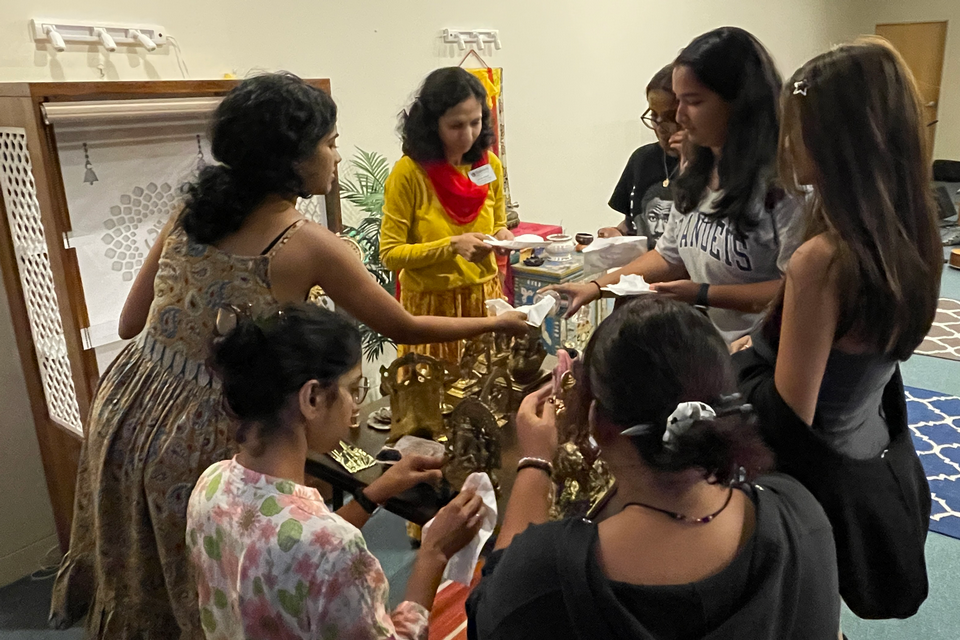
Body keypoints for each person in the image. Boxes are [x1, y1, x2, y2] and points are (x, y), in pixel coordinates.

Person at [50, 73, 525, 639]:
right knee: (221, 578)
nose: (336, 155)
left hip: (129, 408)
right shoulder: (305, 242)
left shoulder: (190, 210)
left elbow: (131, 323)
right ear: (291, 159)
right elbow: (402, 323)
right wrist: (499, 318)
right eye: (328, 143)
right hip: (210, 428)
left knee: (146, 571)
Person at [466, 297, 840, 639]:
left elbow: (489, 614)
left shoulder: (545, 576)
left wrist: (534, 465)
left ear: (597, 422)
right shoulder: (798, 514)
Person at [734, 37, 941, 619]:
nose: (786, 144)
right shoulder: (910, 232)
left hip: (822, 480)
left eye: (798, 128)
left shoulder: (823, 260)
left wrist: (730, 364)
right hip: (872, 443)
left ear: (840, 138)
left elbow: (789, 417)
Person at [188, 303, 485, 639]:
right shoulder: (335, 550)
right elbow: (317, 549)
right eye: (353, 390)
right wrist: (434, 553)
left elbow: (287, 545)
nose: (355, 405)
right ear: (312, 398)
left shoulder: (211, 484)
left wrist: (374, 493)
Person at [546, 27, 802, 344]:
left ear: (738, 102)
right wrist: (596, 287)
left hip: (767, 350)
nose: (679, 117)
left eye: (692, 102)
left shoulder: (788, 184)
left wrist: (704, 293)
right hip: (720, 344)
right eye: (677, 102)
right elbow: (669, 256)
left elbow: (797, 289)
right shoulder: (695, 169)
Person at [380, 67, 515, 365]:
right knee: (432, 400)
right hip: (432, 305)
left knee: (487, 392)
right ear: (432, 124)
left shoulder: (488, 164)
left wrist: (503, 237)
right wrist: (452, 246)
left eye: (476, 122)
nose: (468, 135)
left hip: (484, 296)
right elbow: (391, 254)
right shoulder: (409, 173)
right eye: (456, 125)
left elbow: (497, 224)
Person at [599, 64, 681, 249]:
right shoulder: (642, 159)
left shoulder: (710, 168)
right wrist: (618, 233)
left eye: (670, 116)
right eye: (654, 115)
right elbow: (632, 223)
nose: (660, 126)